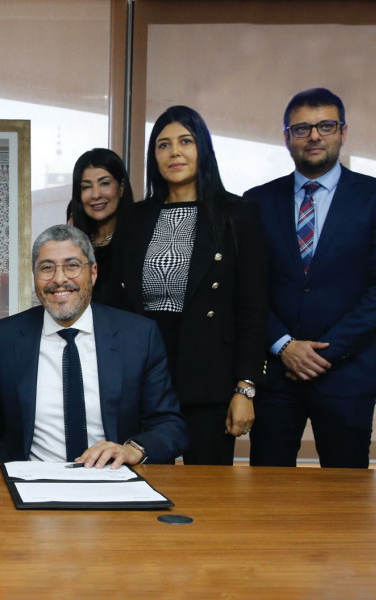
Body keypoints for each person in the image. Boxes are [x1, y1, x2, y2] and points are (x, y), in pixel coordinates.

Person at [0, 225, 188, 467]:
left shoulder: (138, 335)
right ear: (34, 276)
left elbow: (170, 426)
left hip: (114, 479)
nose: (59, 279)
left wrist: (132, 450)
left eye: (72, 265)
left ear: (93, 273)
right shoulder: (4, 337)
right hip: (31, 486)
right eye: (46, 268)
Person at [244, 88, 376, 468]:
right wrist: (284, 345)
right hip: (276, 375)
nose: (314, 136)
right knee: (268, 489)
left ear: (342, 132)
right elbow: (247, 286)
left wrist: (323, 352)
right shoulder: (256, 202)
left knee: (346, 492)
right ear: (287, 138)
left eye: (325, 126)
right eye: (301, 129)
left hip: (347, 375)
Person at [113, 105, 268, 465]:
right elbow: (119, 300)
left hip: (210, 378)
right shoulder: (134, 217)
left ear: (203, 150)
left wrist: (245, 388)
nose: (175, 152)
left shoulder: (238, 214)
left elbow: (253, 307)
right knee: (140, 481)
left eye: (186, 141)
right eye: (163, 144)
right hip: (144, 376)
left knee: (208, 489)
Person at [67, 148, 134, 304]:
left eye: (104, 183)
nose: (96, 195)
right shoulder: (76, 240)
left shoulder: (139, 237)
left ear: (121, 188)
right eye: (86, 187)